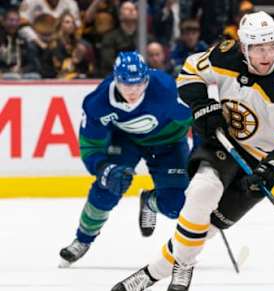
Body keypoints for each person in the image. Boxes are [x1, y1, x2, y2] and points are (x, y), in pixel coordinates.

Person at [110, 11, 274, 291]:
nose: (266, 54)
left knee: (210, 227)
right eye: (258, 47)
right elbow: (190, 70)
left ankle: (157, 271)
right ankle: (170, 269)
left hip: (262, 159)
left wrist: (273, 168)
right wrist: (203, 105)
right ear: (244, 47)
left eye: (271, 46)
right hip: (223, 140)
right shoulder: (226, 55)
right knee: (202, 192)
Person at [59, 51, 192, 267]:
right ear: (115, 79)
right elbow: (91, 147)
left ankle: (150, 202)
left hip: (169, 143)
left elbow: (195, 117)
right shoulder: (97, 103)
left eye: (139, 83)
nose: (133, 90)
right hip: (126, 141)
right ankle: (82, 240)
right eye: (126, 84)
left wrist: (201, 150)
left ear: (146, 79)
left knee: (175, 206)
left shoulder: (165, 88)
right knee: (108, 187)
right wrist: (104, 169)